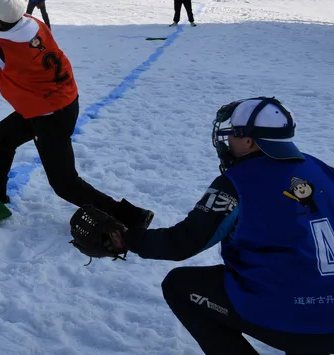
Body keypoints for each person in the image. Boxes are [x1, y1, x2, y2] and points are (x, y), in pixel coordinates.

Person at [80, 97, 334, 355]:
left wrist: (129, 239)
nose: (228, 141)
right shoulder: (323, 170)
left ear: (248, 141)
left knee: (179, 287)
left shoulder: (237, 182)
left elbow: (185, 241)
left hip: (292, 318)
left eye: (234, 134)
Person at [0, 0, 154, 227]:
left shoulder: (6, 49)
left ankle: (129, 216)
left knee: (65, 184)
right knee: (4, 135)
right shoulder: (31, 22)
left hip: (50, 114)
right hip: (53, 101)